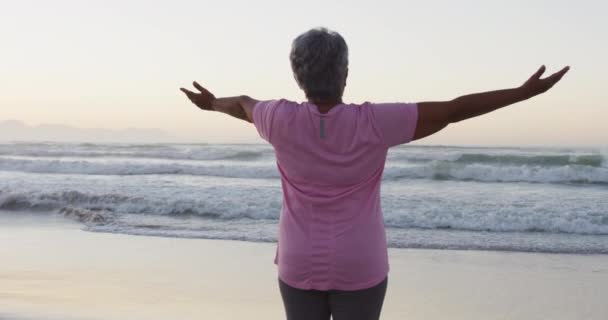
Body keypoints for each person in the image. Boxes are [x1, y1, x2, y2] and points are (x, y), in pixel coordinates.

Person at [180, 27, 569, 320]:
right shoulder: (376, 122)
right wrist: (522, 93)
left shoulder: (276, 118)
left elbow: (242, 105)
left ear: (297, 75)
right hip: (359, 261)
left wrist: (210, 102)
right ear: (344, 73)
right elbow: (452, 110)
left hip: (298, 261)